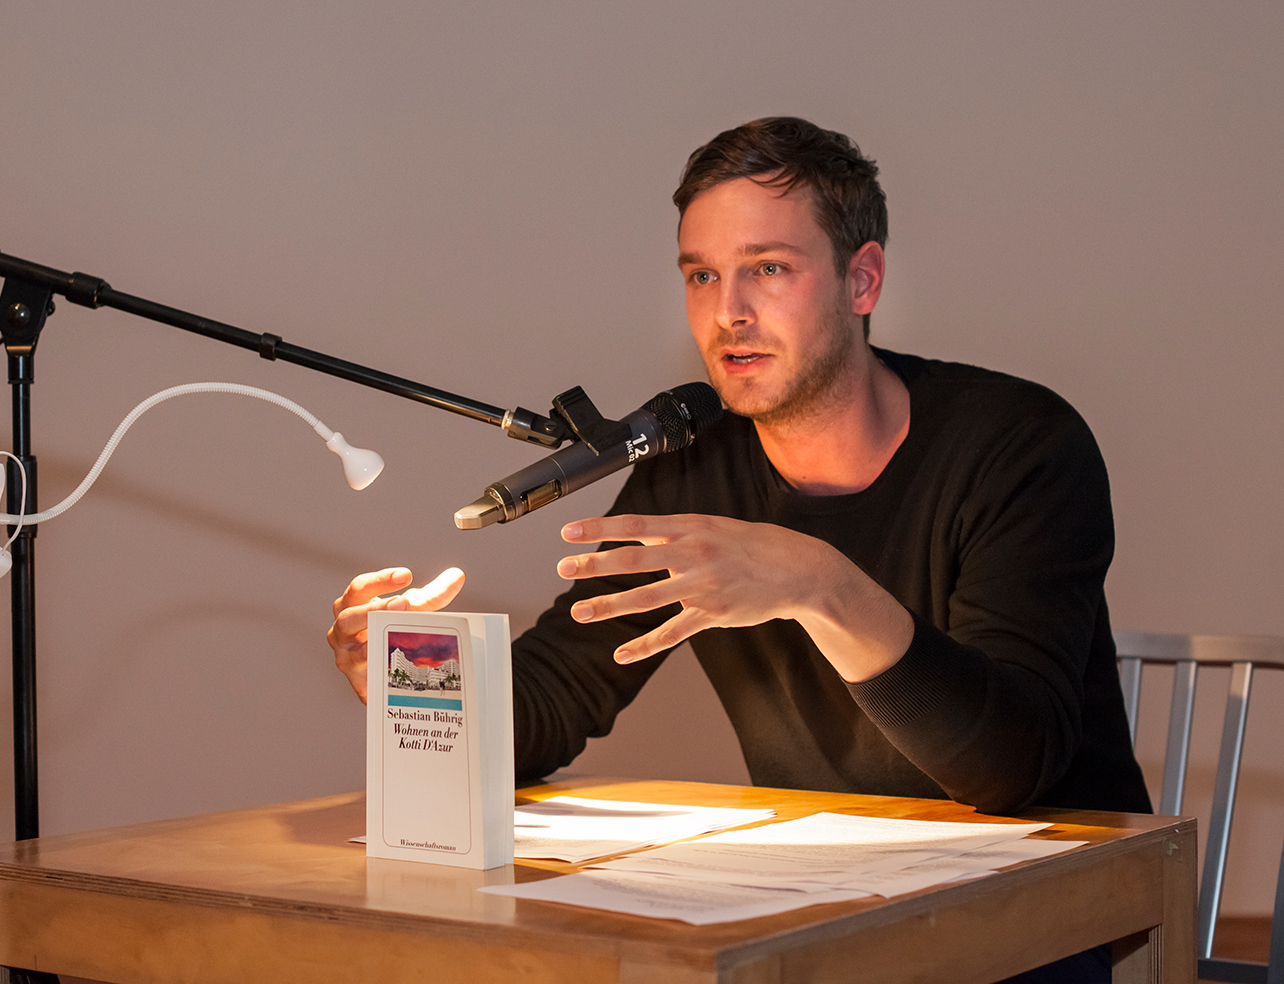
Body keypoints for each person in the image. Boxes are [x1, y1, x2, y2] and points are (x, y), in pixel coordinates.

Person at [326, 118, 1149, 983]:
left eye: (769, 268)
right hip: (827, 900)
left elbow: (1011, 768)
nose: (728, 313)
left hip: (1044, 897)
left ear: (862, 279)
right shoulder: (696, 466)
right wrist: (413, 680)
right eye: (702, 276)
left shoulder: (1018, 445)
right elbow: (555, 703)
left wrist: (821, 585)